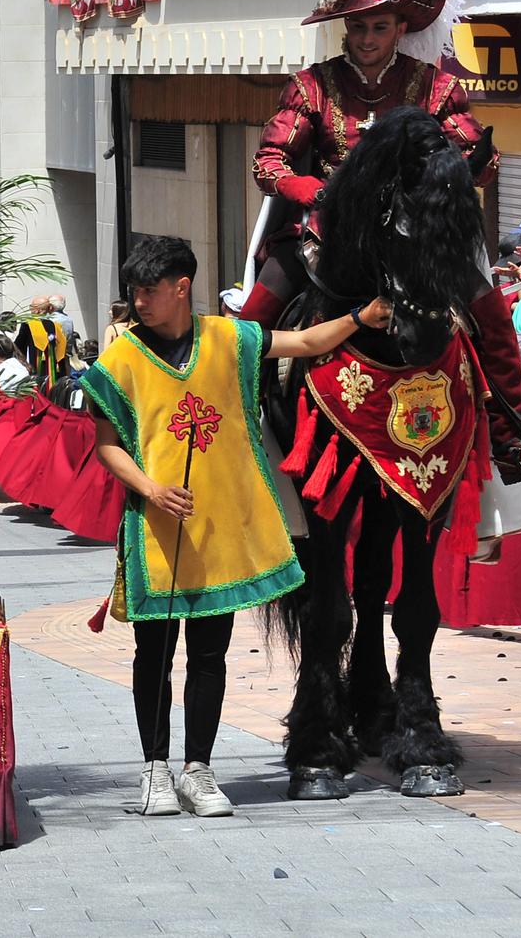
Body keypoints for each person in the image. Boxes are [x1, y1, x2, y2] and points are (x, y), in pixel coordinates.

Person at [84, 236, 391, 819]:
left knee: (208, 655)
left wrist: (359, 317)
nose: (139, 303)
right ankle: (154, 771)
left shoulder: (230, 338)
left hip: (219, 529)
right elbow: (105, 447)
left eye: (150, 291)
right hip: (155, 531)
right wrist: (150, 488)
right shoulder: (118, 361)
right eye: (134, 293)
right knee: (154, 653)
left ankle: (198, 771)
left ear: (182, 288)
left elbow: (302, 341)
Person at [243, 0, 521, 473]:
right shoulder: (311, 85)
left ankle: (512, 436)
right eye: (357, 26)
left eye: (378, 26)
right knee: (253, 319)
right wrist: (317, 193)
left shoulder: (437, 86)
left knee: (492, 311)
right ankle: (234, 425)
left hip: (416, 235)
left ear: (400, 26)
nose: (366, 37)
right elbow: (269, 160)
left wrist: (457, 173)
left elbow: (480, 157)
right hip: (329, 232)